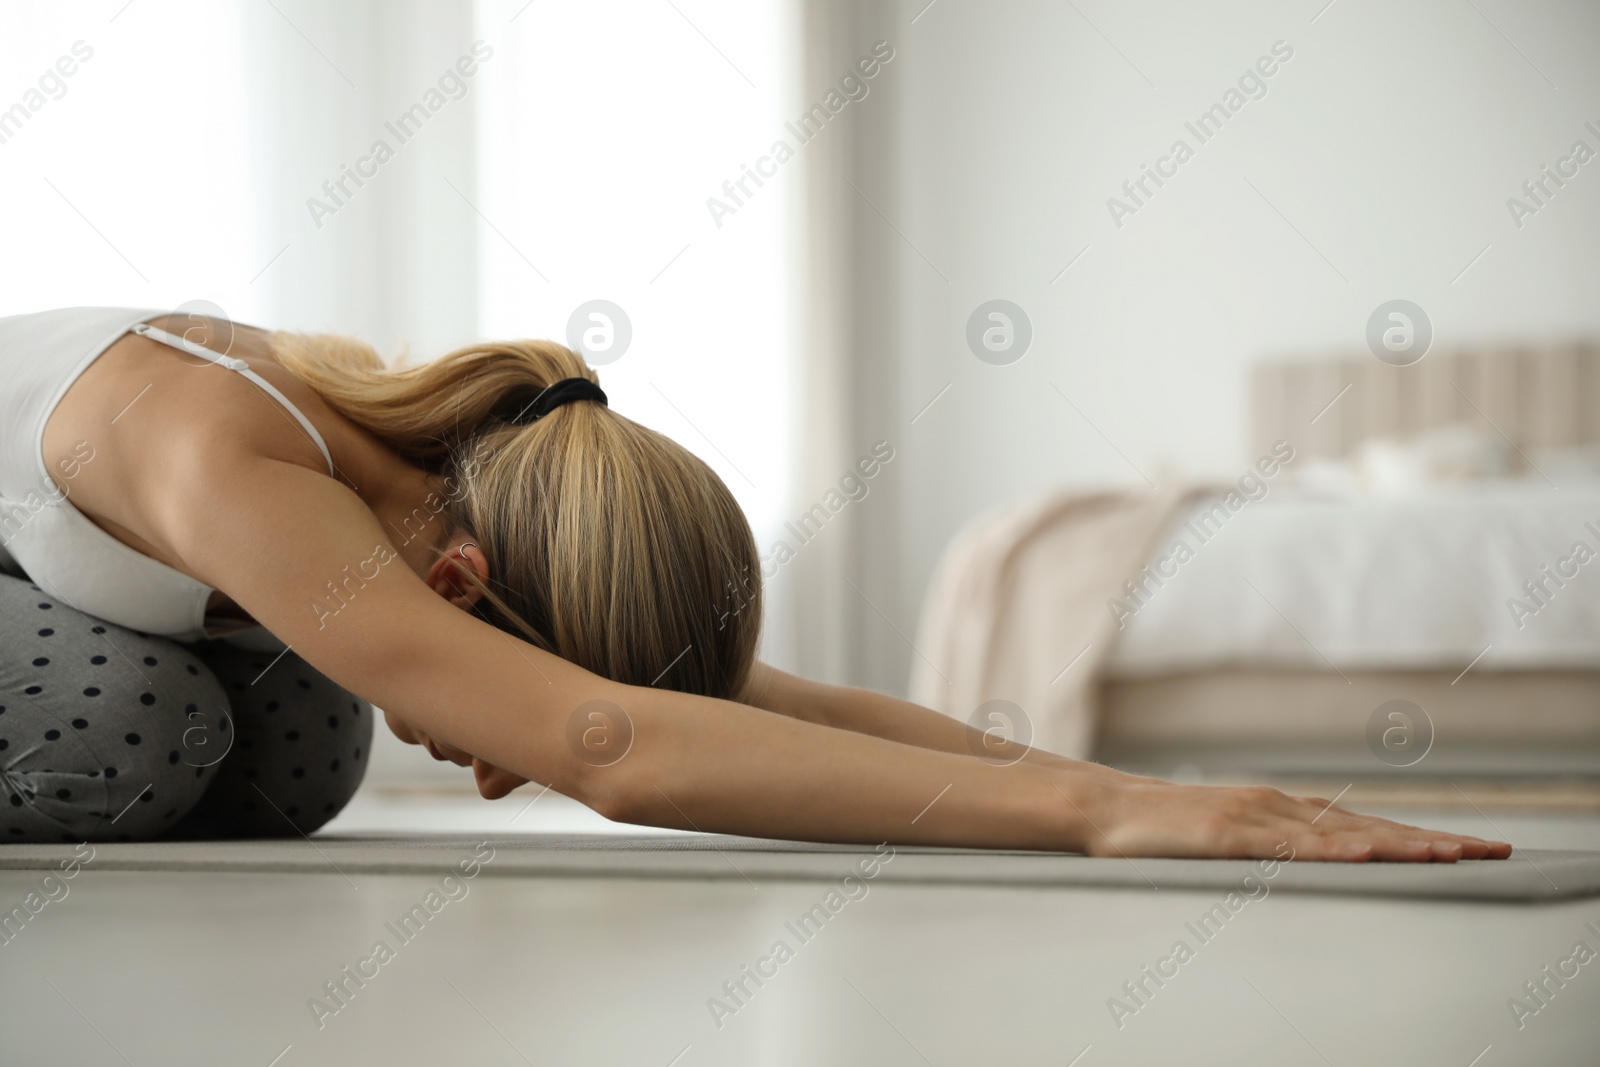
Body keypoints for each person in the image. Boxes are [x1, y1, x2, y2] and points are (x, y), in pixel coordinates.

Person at [0, 306, 1510, 862]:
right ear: (461, 580)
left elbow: (745, 708)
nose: (492, 780)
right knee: (154, 734)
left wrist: (1137, 790)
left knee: (306, 749)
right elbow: (610, 742)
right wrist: (1109, 824)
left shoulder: (438, 492)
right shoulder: (229, 455)